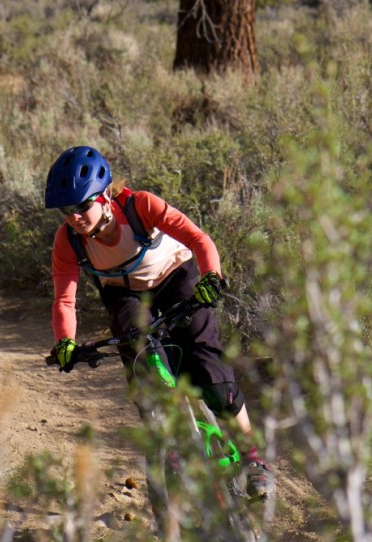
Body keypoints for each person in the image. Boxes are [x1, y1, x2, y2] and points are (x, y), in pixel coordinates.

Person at [44, 145, 275, 507]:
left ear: (103, 197)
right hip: (126, 295)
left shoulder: (140, 206)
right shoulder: (68, 240)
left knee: (210, 371)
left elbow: (199, 239)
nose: (74, 217)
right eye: (66, 210)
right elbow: (65, 300)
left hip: (175, 278)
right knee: (144, 371)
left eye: (81, 206)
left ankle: (253, 459)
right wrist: (65, 342)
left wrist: (211, 276)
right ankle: (171, 450)